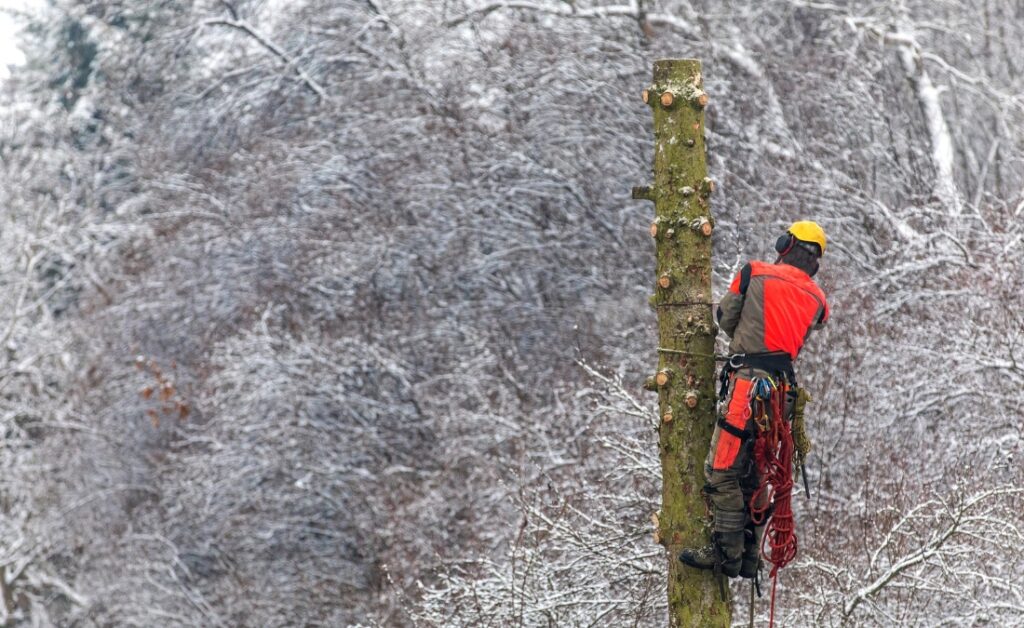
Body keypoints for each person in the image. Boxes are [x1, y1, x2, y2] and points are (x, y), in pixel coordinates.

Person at [678, 221, 830, 579]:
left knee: (720, 470)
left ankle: (725, 553)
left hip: (748, 387)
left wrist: (747, 338)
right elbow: (813, 324)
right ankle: (750, 553)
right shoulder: (818, 299)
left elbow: (725, 318)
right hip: (783, 393)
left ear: (785, 244)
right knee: (758, 470)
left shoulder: (753, 272)